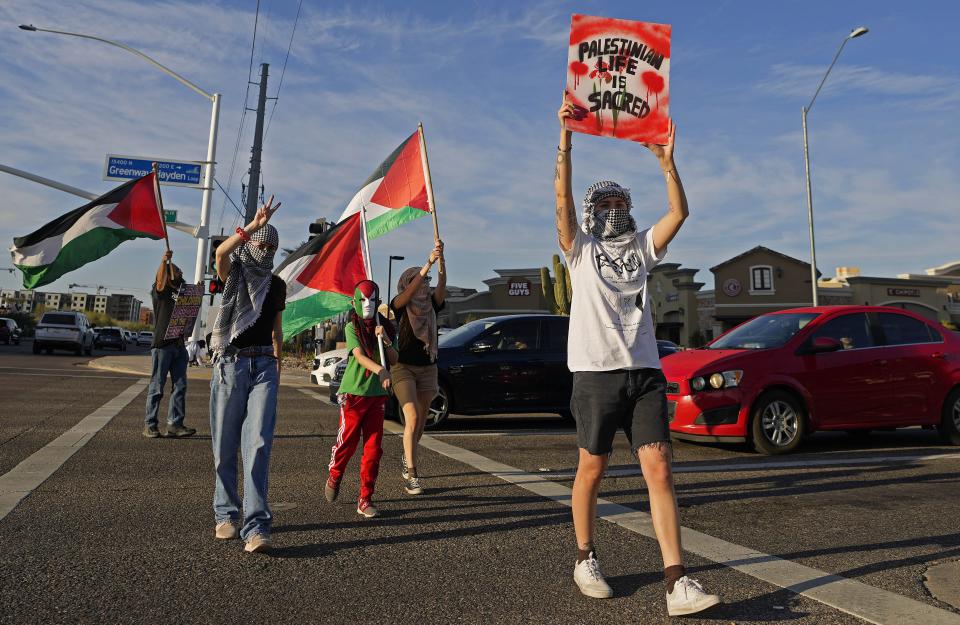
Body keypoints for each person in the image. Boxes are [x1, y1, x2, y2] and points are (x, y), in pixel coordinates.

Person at [555, 96, 720, 616]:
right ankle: (585, 557)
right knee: (592, 469)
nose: (611, 211)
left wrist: (667, 163)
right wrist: (565, 139)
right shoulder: (579, 248)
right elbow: (559, 201)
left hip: (644, 372)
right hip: (595, 374)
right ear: (589, 213)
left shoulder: (644, 248)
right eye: (601, 206)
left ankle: (677, 580)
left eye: (617, 204)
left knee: (661, 470)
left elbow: (680, 212)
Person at [208, 196, 285, 554]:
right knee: (225, 445)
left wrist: (279, 361)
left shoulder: (277, 284)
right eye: (261, 243)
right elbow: (221, 254)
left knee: (257, 446)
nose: (266, 249)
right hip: (230, 363)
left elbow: (276, 329)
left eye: (272, 245)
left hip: (265, 366)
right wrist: (252, 227)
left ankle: (256, 526)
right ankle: (226, 514)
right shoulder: (234, 273)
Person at [324, 280, 398, 518]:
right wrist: (380, 370)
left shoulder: (385, 326)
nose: (368, 304)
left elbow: (395, 359)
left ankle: (365, 498)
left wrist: (385, 339)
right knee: (347, 441)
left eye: (372, 299)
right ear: (354, 302)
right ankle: (335, 473)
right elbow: (358, 355)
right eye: (363, 299)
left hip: (376, 395)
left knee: (374, 450)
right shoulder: (351, 327)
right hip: (354, 393)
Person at [391, 240, 445, 495]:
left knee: (421, 423)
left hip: (428, 368)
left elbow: (441, 289)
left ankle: (407, 455)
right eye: (418, 280)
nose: (424, 284)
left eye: (425, 280)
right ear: (407, 282)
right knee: (411, 415)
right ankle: (412, 475)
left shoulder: (431, 305)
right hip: (403, 368)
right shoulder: (399, 304)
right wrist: (427, 264)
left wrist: (441, 262)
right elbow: (410, 292)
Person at [143, 251, 196, 439]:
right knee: (157, 386)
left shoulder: (181, 292)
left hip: (179, 345)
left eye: (179, 270)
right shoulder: (161, 292)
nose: (180, 271)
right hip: (163, 345)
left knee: (180, 385)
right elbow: (159, 281)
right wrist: (164, 262)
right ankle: (150, 424)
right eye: (175, 270)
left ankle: (175, 424)